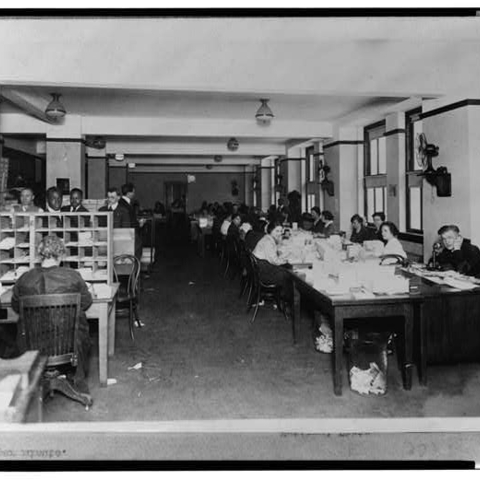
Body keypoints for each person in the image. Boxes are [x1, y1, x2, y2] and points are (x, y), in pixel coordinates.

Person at [11, 235, 93, 397]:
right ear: (61, 255)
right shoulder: (72, 276)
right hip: (66, 345)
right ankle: (73, 377)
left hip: (33, 346)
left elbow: (15, 307)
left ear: (40, 255)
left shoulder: (24, 279)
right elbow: (86, 302)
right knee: (81, 330)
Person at [252, 221, 292, 304]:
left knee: (285, 271)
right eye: (277, 231)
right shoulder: (268, 242)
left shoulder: (267, 238)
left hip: (259, 268)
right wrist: (287, 260)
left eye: (281, 231)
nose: (279, 233)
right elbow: (275, 261)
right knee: (288, 274)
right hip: (263, 273)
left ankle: (283, 298)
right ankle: (285, 301)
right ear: (270, 231)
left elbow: (271, 255)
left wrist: (279, 254)